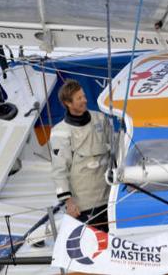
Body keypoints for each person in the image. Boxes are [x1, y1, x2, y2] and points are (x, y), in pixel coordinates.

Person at [50, 79, 111, 233]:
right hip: (84, 206)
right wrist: (69, 203)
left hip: (110, 199)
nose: (85, 100)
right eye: (79, 98)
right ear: (67, 103)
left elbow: (115, 152)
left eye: (84, 96)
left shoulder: (100, 119)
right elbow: (59, 172)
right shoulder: (60, 132)